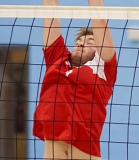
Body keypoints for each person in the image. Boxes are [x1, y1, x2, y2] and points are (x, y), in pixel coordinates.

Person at [33, 0, 117, 159]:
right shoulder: (57, 59)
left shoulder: (102, 68)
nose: (80, 44)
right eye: (78, 42)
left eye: (89, 42)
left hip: (85, 151)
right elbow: (50, 11)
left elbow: (99, 20)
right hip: (53, 148)